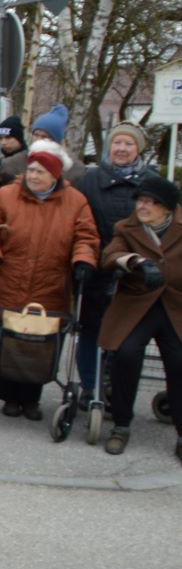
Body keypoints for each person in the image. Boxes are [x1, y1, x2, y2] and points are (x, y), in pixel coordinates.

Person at [0, 143, 98, 419]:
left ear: (55, 175)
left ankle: (31, 400)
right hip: (10, 280)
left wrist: (83, 260)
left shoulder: (76, 202)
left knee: (40, 343)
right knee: (12, 339)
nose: (33, 175)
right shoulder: (7, 195)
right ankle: (9, 397)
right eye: (30, 170)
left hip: (51, 284)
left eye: (40, 171)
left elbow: (86, 237)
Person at [97, 173, 180, 461]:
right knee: (126, 354)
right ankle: (120, 425)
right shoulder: (127, 227)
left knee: (179, 362)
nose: (142, 206)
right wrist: (136, 261)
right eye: (140, 200)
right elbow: (110, 255)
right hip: (137, 304)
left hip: (175, 306)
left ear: (166, 207)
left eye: (150, 202)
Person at [74, 123, 149, 399]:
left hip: (135, 274)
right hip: (95, 270)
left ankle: (114, 388)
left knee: (126, 335)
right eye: (117, 143)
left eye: (129, 144)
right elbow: (77, 222)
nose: (122, 149)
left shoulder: (151, 183)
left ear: (138, 149)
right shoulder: (88, 181)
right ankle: (89, 386)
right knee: (91, 330)